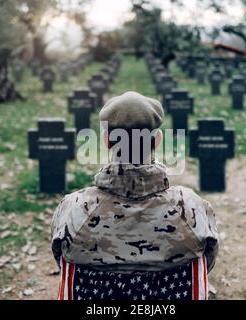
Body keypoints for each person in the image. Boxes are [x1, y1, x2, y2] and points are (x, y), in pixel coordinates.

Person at [51, 91, 219, 300]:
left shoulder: (73, 210)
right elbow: (207, 260)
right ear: (157, 141)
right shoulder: (191, 209)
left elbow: (62, 259)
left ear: (106, 141)